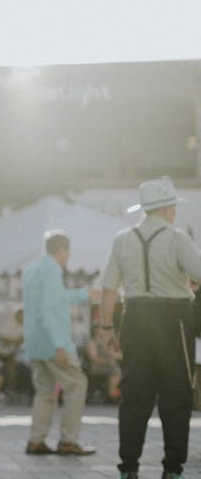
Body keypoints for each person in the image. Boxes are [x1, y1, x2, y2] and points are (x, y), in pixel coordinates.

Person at [98, 177, 201, 479]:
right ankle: (172, 469)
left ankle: (128, 468)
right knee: (177, 395)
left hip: (136, 317)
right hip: (174, 320)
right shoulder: (177, 238)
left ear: (145, 209)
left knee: (134, 395)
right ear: (168, 209)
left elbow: (108, 289)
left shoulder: (122, 239)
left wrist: (106, 328)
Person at [21, 231, 95, 456]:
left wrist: (84, 294)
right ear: (62, 249)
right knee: (77, 384)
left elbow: (56, 299)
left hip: (35, 342)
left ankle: (36, 440)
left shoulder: (32, 270)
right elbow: (48, 310)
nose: (68, 257)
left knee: (44, 391)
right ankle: (68, 440)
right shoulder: (53, 270)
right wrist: (60, 346)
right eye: (68, 252)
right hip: (53, 343)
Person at [85, 323, 122, 402]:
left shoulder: (106, 342)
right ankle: (112, 392)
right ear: (96, 331)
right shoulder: (92, 342)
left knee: (119, 369)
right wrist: (108, 362)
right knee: (115, 370)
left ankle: (117, 392)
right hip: (98, 367)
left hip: (110, 366)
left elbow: (114, 354)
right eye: (101, 328)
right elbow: (94, 358)